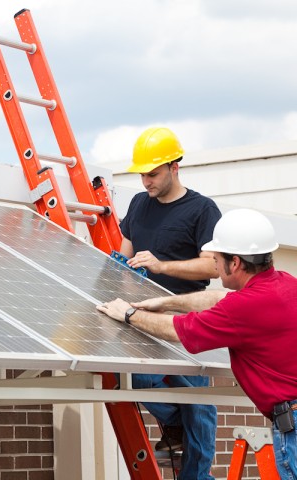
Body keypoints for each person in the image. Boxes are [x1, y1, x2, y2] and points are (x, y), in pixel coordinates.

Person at [98, 208, 297, 478]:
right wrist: (167, 301)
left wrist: (129, 314)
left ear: (235, 263)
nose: (214, 266)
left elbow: (180, 331)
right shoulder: (285, 284)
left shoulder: (245, 307)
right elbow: (218, 299)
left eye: (216, 259)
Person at [119, 126, 221, 479]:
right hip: (144, 315)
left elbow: (213, 266)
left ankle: (197, 476)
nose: (146, 181)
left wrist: (161, 265)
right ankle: (176, 425)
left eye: (153, 173)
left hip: (186, 316)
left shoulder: (203, 209)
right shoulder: (137, 205)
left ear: (174, 167)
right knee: (139, 381)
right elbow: (123, 255)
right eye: (142, 174)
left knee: (199, 403)